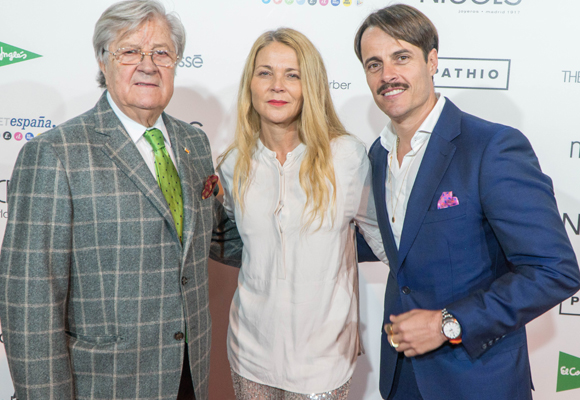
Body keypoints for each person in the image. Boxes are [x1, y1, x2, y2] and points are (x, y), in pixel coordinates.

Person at [0, 1, 241, 399]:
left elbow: (215, 237)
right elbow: (30, 302)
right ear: (103, 61)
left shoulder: (193, 143)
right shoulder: (56, 154)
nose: (148, 65)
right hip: (105, 384)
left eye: (161, 52)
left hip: (188, 374)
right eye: (130, 51)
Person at [354, 4, 580, 400]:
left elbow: (554, 271)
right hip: (401, 377)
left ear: (432, 61)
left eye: (401, 57)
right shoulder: (376, 154)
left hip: (477, 381)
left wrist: (447, 323)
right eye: (374, 64)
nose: (387, 74)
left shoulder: (491, 147)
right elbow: (397, 246)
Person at [217, 28, 388, 399]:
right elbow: (233, 243)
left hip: (324, 361)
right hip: (249, 354)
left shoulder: (346, 157)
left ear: (310, 85)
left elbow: (387, 243)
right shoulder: (233, 165)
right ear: (250, 85)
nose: (277, 86)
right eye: (265, 73)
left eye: (292, 75)